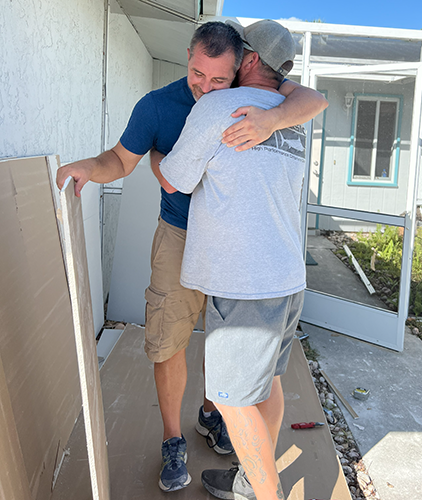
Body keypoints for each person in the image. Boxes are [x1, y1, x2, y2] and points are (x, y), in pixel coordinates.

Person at [56, 21, 327, 493]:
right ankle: (176, 440)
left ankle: (225, 432)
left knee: (229, 365)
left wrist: (271, 120)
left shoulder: (260, 104)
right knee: (178, 343)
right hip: (199, 242)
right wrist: (87, 167)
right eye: (198, 74)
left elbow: (312, 98)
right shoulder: (161, 105)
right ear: (188, 56)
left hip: (232, 253)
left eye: (218, 79)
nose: (205, 86)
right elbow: (120, 160)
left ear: (243, 64)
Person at [159, 19, 313, 500]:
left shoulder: (219, 107)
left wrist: (158, 160)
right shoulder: (294, 118)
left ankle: (267, 495)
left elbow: (174, 180)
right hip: (288, 278)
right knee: (265, 386)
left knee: (230, 399)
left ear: (247, 59)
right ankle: (250, 481)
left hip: (246, 283)